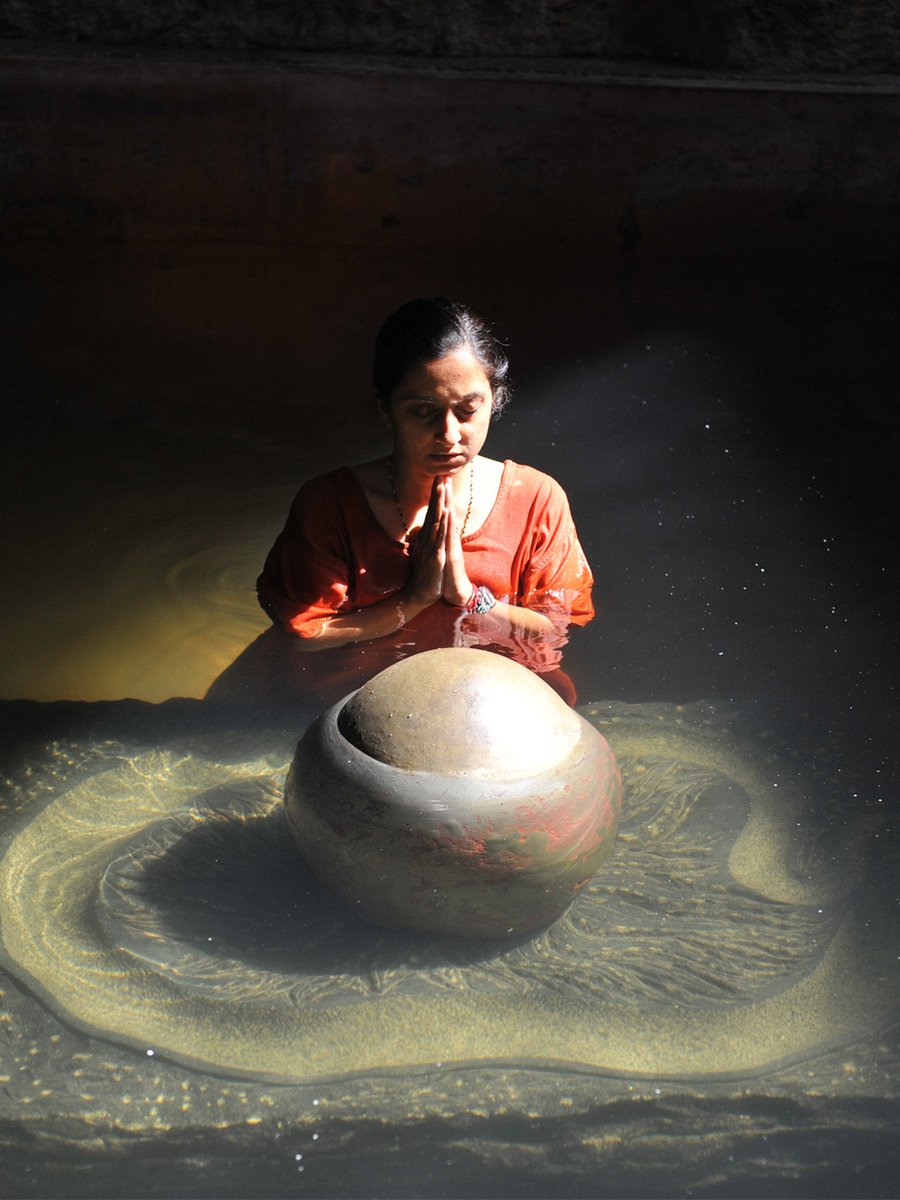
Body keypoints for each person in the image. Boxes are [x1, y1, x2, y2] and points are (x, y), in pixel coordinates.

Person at [210, 298, 594, 709]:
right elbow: (305, 636)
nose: (448, 434)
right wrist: (413, 600)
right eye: (423, 412)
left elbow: (554, 631)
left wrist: (468, 596)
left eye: (467, 410)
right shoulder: (332, 505)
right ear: (386, 409)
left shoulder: (535, 499)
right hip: (324, 704)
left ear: (494, 400)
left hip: (484, 709)